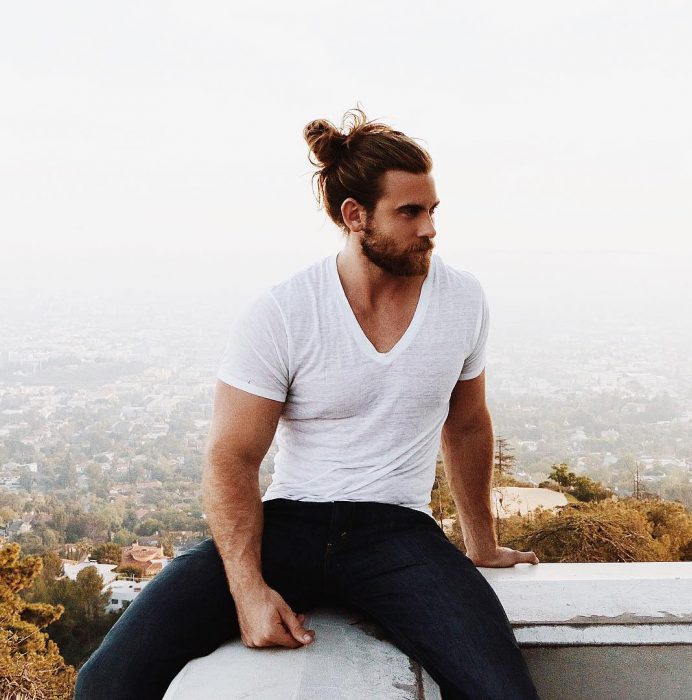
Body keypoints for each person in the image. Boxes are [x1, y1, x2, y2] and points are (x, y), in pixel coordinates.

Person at [75, 109, 540, 700]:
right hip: (288, 524)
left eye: (432, 210)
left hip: (397, 532)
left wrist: (482, 543)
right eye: (409, 212)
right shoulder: (285, 312)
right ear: (355, 216)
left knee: (503, 693)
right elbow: (232, 457)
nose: (429, 229)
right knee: (107, 682)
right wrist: (248, 592)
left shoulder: (462, 300)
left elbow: (468, 423)